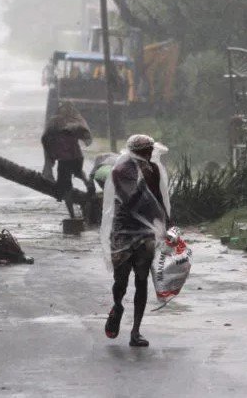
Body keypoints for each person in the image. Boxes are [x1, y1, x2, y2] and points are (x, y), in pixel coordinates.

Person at [100, 134, 171, 347]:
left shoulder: (154, 170)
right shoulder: (120, 171)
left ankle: (136, 330)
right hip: (123, 231)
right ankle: (118, 305)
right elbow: (130, 200)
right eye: (146, 151)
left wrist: (168, 224)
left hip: (146, 233)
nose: (150, 154)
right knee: (120, 280)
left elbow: (159, 199)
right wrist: (141, 182)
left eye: (151, 150)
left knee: (142, 279)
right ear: (136, 152)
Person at [41, 103, 95, 218]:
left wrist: (50, 157)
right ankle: (87, 182)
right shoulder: (75, 122)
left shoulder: (54, 123)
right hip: (77, 157)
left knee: (66, 189)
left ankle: (72, 216)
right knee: (79, 173)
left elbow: (45, 138)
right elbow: (85, 133)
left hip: (64, 160)